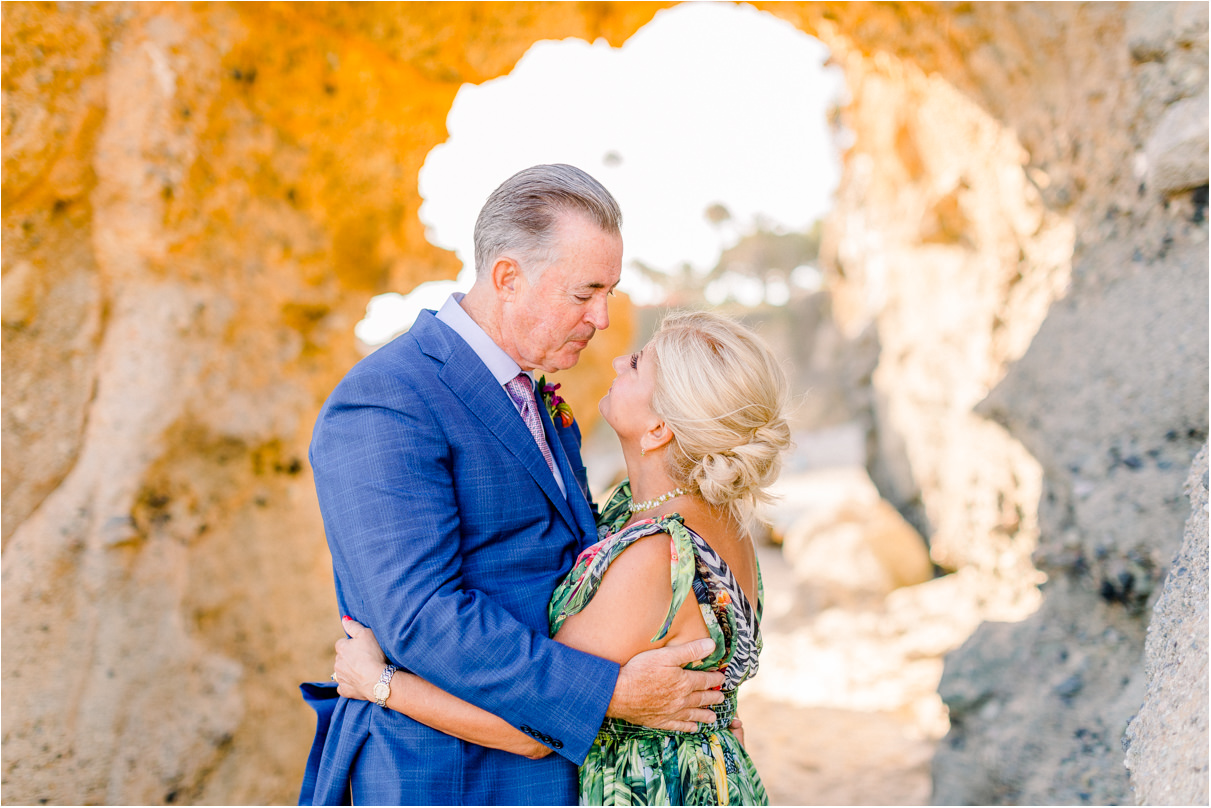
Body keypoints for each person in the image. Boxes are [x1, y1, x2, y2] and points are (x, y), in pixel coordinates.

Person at [301, 164, 727, 806]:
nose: (603, 318)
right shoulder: (388, 400)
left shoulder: (542, 399)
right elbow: (422, 616)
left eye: (608, 292)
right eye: (583, 294)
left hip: (554, 761)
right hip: (446, 771)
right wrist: (609, 694)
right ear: (507, 276)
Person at [333, 309, 792, 805]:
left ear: (659, 428)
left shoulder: (654, 558)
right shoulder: (724, 522)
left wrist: (377, 683)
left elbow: (532, 731)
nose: (618, 361)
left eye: (637, 364)